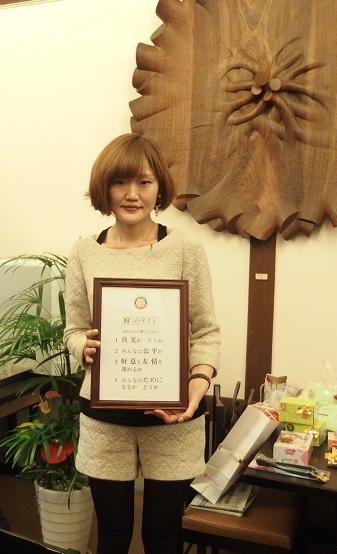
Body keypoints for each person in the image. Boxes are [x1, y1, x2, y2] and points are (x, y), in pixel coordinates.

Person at [63, 133, 220, 554]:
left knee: (163, 536)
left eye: (144, 182)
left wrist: (197, 386)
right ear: (104, 187)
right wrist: (83, 347)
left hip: (172, 416)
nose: (132, 194)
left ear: (159, 187)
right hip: (105, 418)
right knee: (112, 535)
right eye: (120, 182)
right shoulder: (83, 252)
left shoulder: (184, 247)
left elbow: (205, 331)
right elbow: (73, 329)